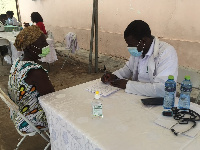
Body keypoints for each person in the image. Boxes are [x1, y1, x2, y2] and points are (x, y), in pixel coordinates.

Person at [101, 20, 178, 97]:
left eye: (131, 45)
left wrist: (128, 85)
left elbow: (162, 89)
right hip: (137, 95)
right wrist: (114, 76)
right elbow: (128, 69)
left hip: (158, 101)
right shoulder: (139, 50)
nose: (129, 48)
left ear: (143, 41)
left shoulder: (166, 52)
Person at [8, 25, 55, 133]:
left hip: (18, 116)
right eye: (43, 43)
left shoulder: (18, 62)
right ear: (29, 46)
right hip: (30, 120)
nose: (46, 45)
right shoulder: (36, 72)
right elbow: (52, 100)